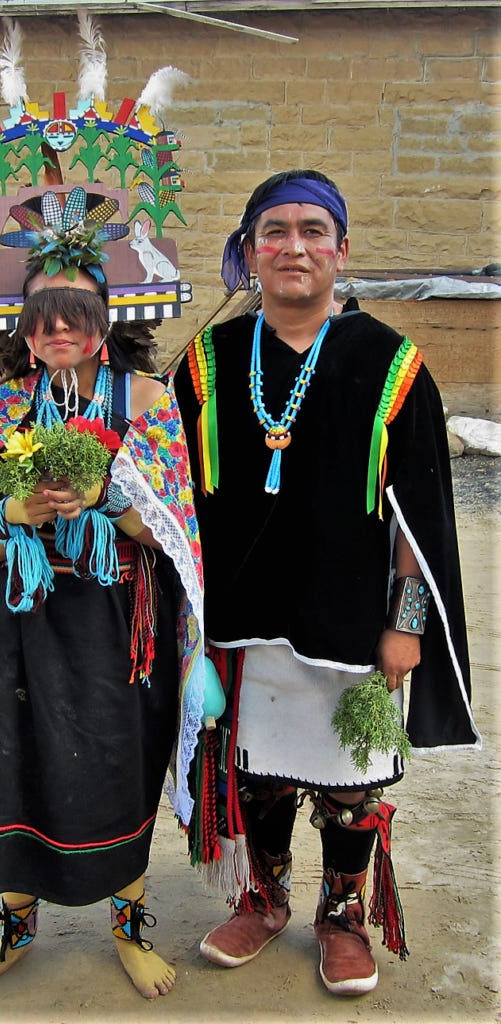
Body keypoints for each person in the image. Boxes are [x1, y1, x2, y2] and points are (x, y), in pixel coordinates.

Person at [173, 169, 480, 996]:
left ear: (341, 251)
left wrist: (406, 622)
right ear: (248, 252)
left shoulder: (391, 362)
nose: (293, 246)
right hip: (241, 618)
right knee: (253, 773)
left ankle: (341, 915)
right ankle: (262, 896)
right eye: (273, 231)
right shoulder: (207, 359)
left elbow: (418, 514)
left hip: (349, 621)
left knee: (351, 781)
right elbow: (170, 490)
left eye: (313, 230)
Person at [0, 225, 204, 1000]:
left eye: (75, 311)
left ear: (108, 316)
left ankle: (129, 928)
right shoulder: (0, 410)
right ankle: (14, 930)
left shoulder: (145, 401)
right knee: (14, 768)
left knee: (118, 767)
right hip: (28, 618)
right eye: (42, 314)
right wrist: (14, 513)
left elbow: (170, 531)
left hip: (117, 624)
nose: (58, 331)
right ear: (22, 323)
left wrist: (106, 497)